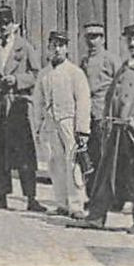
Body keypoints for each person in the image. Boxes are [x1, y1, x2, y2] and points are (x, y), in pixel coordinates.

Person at [69, 23, 134, 235]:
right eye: (129, 40)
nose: (132, 44)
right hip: (117, 133)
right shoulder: (124, 67)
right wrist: (108, 119)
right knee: (106, 176)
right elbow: (111, 96)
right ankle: (96, 217)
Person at [0, 7, 46, 212]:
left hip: (17, 106)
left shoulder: (24, 48)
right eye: (0, 23)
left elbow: (36, 75)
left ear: (13, 24)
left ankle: (31, 199)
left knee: (25, 153)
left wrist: (17, 80)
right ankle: (2, 196)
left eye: (7, 22)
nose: (3, 26)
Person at [36, 30, 92, 217]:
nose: (57, 49)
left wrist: (82, 129)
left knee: (73, 163)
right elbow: (38, 101)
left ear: (67, 48)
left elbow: (83, 101)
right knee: (55, 163)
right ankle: (61, 203)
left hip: (69, 122)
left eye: (61, 45)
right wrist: (38, 125)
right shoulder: (44, 74)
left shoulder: (75, 72)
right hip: (51, 123)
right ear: (49, 48)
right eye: (54, 45)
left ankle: (76, 205)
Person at [80, 22, 118, 192]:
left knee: (106, 156)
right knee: (91, 155)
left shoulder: (110, 60)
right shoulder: (85, 61)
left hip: (104, 113)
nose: (92, 41)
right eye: (89, 37)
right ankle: (94, 194)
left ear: (102, 39)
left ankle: (111, 195)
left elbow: (121, 84)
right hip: (88, 114)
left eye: (96, 37)